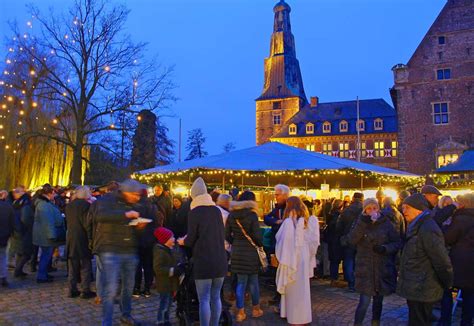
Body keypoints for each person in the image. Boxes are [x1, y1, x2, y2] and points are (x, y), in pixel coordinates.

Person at [91, 179, 149, 326]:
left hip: (130, 250)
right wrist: (126, 215)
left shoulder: (135, 203)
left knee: (128, 287)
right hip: (111, 250)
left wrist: (139, 226)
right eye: (135, 195)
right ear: (126, 192)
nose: (137, 197)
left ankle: (126, 315)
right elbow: (100, 216)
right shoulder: (107, 200)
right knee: (110, 289)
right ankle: (107, 321)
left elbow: (134, 225)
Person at [177, 177, 227, 326]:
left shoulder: (195, 212)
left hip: (204, 261)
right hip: (220, 260)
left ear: (194, 195)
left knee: (204, 299)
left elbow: (191, 238)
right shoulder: (216, 211)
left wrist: (182, 241)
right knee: (216, 297)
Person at [398, 193, 453, 326]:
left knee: (420, 321)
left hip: (423, 286)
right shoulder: (416, 225)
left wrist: (447, 282)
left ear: (418, 209)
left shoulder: (427, 228)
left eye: (407, 208)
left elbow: (441, 260)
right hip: (416, 286)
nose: (403, 211)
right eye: (403, 207)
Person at [348, 198, 401, 326]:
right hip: (365, 268)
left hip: (381, 267)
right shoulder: (360, 222)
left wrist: (385, 248)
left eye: (374, 208)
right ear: (364, 210)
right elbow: (352, 240)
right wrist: (362, 223)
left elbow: (396, 242)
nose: (372, 211)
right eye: (369, 208)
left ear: (379, 208)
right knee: (364, 301)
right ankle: (358, 323)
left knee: (378, 301)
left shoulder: (386, 222)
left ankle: (375, 322)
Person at [275, 196, 320, 325]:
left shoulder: (289, 222)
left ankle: (295, 317)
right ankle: (301, 317)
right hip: (304, 256)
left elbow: (283, 241)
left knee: (293, 286)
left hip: (293, 256)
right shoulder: (308, 220)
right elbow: (314, 242)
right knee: (302, 288)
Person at [225, 191, 264, 322]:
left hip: (237, 252)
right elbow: (258, 236)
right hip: (251, 253)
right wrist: (259, 245)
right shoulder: (252, 215)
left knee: (240, 283)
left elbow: (226, 235)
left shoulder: (231, 215)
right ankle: (256, 309)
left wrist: (235, 242)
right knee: (253, 282)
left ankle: (240, 312)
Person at [443, 193, 474, 326]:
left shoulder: (460, 218)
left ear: (462, 204)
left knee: (447, 291)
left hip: (458, 262)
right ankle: (466, 322)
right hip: (471, 264)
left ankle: (445, 321)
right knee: (470, 295)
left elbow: (448, 238)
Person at [65, 186, 95, 299]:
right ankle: (85, 290)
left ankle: (72, 289)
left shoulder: (69, 206)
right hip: (82, 238)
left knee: (73, 265)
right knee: (85, 265)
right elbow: (87, 224)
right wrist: (91, 238)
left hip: (71, 236)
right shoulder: (86, 206)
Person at [32, 186, 65, 283]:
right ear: (48, 194)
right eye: (53, 193)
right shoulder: (44, 205)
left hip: (44, 233)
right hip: (46, 235)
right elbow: (48, 222)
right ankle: (41, 276)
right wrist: (52, 235)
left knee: (46, 255)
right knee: (46, 255)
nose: (54, 195)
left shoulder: (45, 203)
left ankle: (44, 274)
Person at [153, 227, 184, 325]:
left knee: (169, 304)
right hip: (164, 283)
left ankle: (166, 320)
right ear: (165, 240)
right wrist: (173, 270)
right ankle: (160, 321)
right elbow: (158, 269)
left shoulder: (170, 249)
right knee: (164, 304)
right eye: (172, 237)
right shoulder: (160, 252)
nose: (174, 239)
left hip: (170, 283)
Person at [133, 190, 161, 298]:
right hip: (150, 240)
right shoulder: (153, 207)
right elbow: (157, 223)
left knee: (137, 265)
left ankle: (136, 288)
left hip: (137, 239)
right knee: (148, 265)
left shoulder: (135, 206)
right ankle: (147, 289)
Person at [337, 192, 364, 291]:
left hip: (348, 238)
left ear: (353, 198)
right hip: (361, 239)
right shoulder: (364, 210)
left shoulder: (346, 210)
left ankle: (351, 283)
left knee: (348, 259)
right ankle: (358, 282)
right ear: (362, 198)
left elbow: (339, 226)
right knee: (359, 261)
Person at [10, 187, 34, 278]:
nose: (14, 194)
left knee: (20, 252)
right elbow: (26, 218)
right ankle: (18, 270)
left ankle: (19, 270)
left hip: (17, 230)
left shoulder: (16, 202)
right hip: (22, 231)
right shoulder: (24, 203)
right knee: (26, 252)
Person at [325, 199, 344, 286]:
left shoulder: (330, 214)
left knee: (333, 259)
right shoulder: (338, 216)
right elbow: (336, 228)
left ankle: (334, 278)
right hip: (336, 240)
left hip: (331, 239)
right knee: (335, 260)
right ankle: (334, 279)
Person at [0, 198, 15, 287]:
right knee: (2, 257)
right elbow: (12, 221)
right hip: (4, 236)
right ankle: (3, 277)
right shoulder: (7, 206)